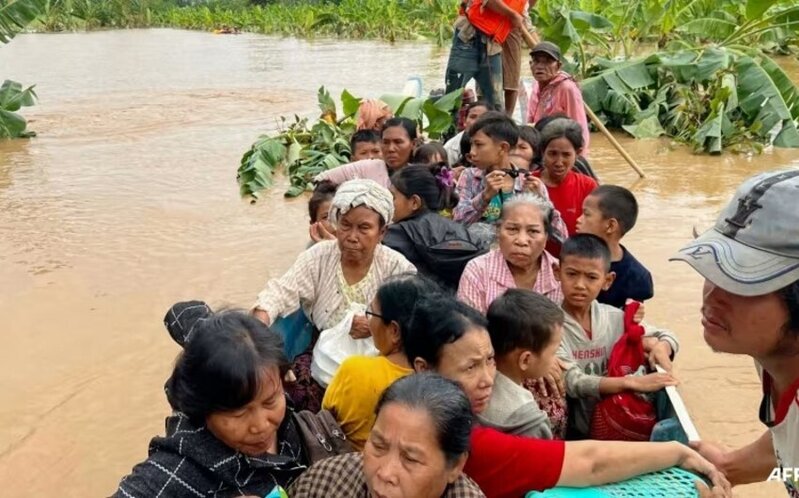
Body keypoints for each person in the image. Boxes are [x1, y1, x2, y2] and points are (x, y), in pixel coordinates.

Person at [403, 295, 731, 498]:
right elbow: (586, 463)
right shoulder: (475, 442)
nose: (488, 378)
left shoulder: (399, 403)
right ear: (424, 368)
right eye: (471, 367)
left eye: (490, 361)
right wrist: (677, 452)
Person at [670, 169, 799, 496]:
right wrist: (728, 467)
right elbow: (787, 449)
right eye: (714, 270)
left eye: (742, 283)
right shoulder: (775, 352)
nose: (712, 297)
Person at [253, 179, 416, 411]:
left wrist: (375, 325)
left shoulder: (397, 268)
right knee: (295, 395)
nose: (351, 236)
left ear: (382, 232)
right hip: (324, 349)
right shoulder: (319, 257)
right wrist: (257, 325)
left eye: (364, 228)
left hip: (382, 356)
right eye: (345, 225)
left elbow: (416, 315)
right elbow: (281, 291)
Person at [114, 305, 309, 497]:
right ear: (203, 408)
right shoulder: (182, 468)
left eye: (269, 402)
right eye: (239, 413)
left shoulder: (270, 389)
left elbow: (183, 312)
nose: (260, 426)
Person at [555, 234, 679, 439]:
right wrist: (631, 382)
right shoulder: (550, 324)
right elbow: (572, 381)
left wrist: (661, 347)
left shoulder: (615, 317)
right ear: (557, 273)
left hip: (617, 424)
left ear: (607, 280)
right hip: (575, 431)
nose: (580, 285)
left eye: (591, 277)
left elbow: (667, 335)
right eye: (572, 274)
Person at [290, 373, 486, 497]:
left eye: (410, 458)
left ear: (454, 466)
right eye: (379, 446)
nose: (385, 474)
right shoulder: (322, 483)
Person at [322, 275, 442, 450]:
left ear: (394, 331)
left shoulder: (355, 370)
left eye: (370, 313)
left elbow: (325, 419)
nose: (368, 321)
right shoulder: (442, 378)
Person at [384, 165, 487, 289]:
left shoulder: (394, 235)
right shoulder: (458, 230)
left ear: (414, 202)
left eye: (392, 197)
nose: (387, 202)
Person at [479, 289, 564, 439]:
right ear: (525, 360)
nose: (555, 359)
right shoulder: (529, 423)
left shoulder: (475, 388)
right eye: (554, 352)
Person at [453, 112, 557, 227]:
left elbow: (560, 235)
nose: (472, 152)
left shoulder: (528, 183)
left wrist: (543, 204)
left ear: (503, 148)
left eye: (479, 145)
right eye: (472, 144)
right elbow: (457, 222)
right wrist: (484, 197)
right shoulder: (470, 177)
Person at [576, 185, 654, 308]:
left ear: (610, 225)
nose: (579, 219)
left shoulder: (636, 277)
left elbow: (630, 319)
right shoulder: (571, 258)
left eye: (586, 214)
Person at [443, 0, 526, 112]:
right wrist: (513, 14)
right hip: (469, 36)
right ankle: (450, 128)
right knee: (452, 99)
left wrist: (515, 16)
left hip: (493, 43)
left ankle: (494, 127)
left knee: (495, 104)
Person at [533, 117, 598, 255]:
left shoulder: (587, 186)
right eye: (552, 154)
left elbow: (596, 231)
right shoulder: (529, 183)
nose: (559, 162)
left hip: (574, 260)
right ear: (542, 152)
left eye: (566, 155)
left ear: (578, 153)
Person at [525, 41, 591, 156]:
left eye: (547, 62)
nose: (540, 66)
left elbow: (579, 126)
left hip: (559, 151)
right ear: (531, 64)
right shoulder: (536, 86)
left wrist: (579, 157)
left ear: (558, 66)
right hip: (540, 148)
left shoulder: (567, 88)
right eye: (536, 61)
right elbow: (531, 121)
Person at [314, 118, 417, 189]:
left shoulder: (424, 174)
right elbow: (320, 180)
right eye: (385, 142)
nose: (390, 149)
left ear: (413, 143)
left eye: (398, 142)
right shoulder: (368, 167)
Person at [444, 101, 494, 167]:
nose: (477, 121)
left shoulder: (499, 141)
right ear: (464, 121)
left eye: (483, 117)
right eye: (473, 117)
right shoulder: (450, 148)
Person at [308, 180, 337, 245]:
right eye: (325, 217)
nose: (334, 221)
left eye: (338, 214)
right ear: (314, 224)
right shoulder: (312, 249)